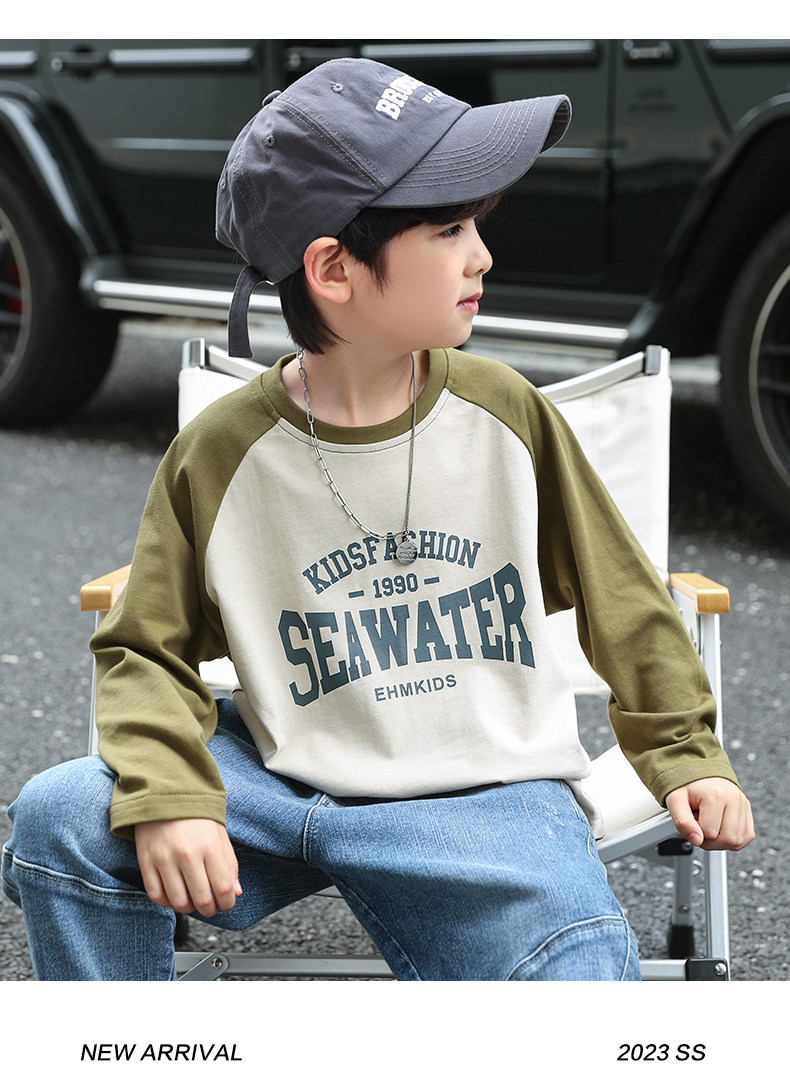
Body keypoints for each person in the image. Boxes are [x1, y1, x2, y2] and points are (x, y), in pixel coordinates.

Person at [2, 58, 754, 981]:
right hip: (279, 779)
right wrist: (167, 794)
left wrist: (686, 753)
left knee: (578, 979)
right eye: (448, 228)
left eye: (476, 224)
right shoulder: (221, 453)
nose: (481, 255)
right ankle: (119, 1051)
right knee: (64, 817)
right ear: (333, 268)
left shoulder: (505, 415)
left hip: (485, 801)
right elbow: (141, 648)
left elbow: (624, 600)